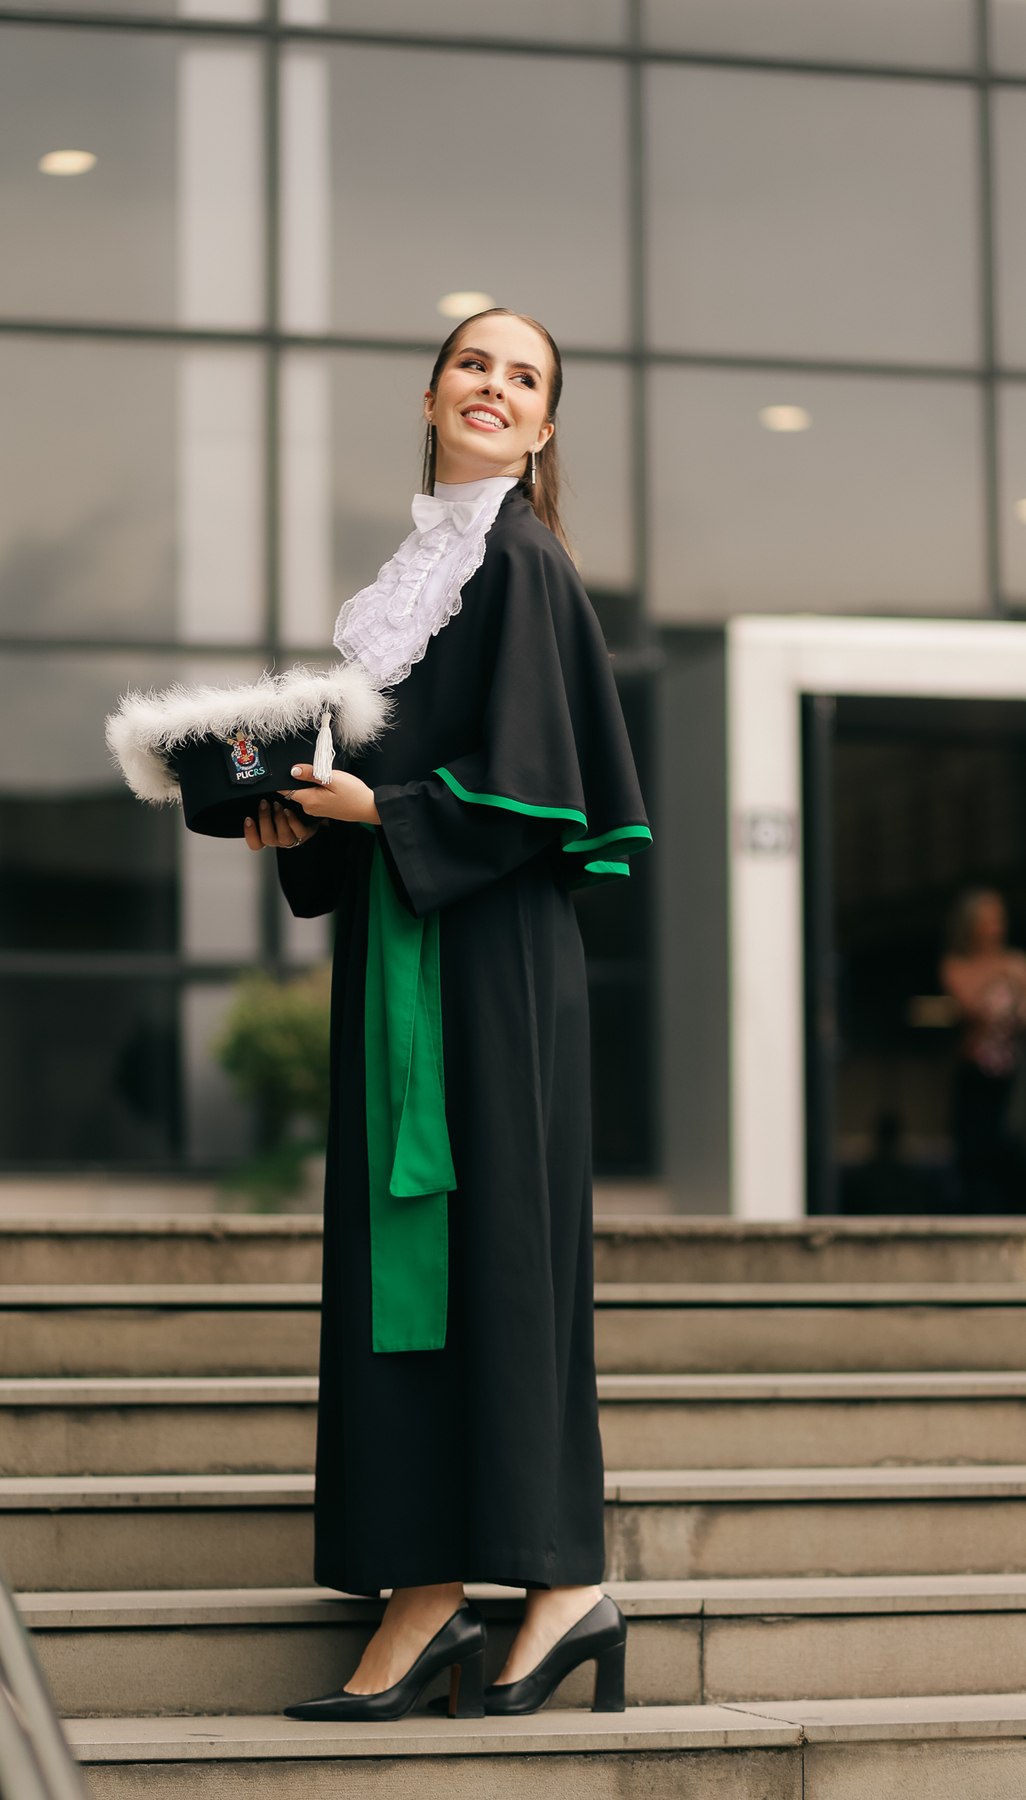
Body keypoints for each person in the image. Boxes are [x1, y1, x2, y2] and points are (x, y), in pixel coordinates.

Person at [244, 309, 650, 1721]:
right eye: (474, 364)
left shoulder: (523, 565)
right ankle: (426, 1586)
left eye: (523, 377)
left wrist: (386, 812)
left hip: (492, 969)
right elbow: (384, 785)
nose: (494, 386)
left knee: (499, 1256)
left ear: (544, 428)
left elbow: (537, 789)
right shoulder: (407, 583)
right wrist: (304, 823)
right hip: (406, 951)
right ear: (430, 397)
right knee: (406, 1267)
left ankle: (555, 1580)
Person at [940, 889, 1026, 1213]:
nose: (994, 929)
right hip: (977, 1075)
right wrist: (998, 974)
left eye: (998, 920)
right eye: (986, 921)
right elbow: (969, 1007)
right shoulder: (957, 965)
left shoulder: (1020, 963)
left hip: (1016, 1076)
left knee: (1016, 1150)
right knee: (978, 1156)